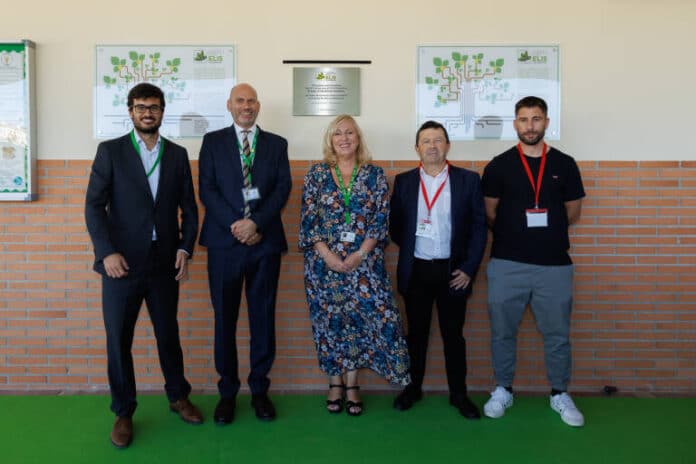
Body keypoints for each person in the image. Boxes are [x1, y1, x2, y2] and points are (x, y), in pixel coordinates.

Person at [85, 83, 202, 449]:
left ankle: (178, 396)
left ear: (163, 111)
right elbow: (93, 206)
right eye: (140, 107)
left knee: (168, 334)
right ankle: (123, 411)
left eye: (153, 106)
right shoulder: (111, 152)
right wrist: (106, 252)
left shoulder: (178, 154)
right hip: (121, 264)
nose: (147, 112)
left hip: (164, 261)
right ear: (131, 111)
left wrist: (185, 248)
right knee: (119, 339)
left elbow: (190, 208)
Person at [481, 96, 586, 427]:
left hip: (554, 265)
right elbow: (489, 211)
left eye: (536, 119)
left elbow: (573, 212)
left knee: (557, 334)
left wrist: (546, 232)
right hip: (507, 264)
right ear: (515, 124)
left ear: (546, 122)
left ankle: (559, 393)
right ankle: (503, 389)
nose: (530, 125)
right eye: (524, 119)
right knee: (502, 333)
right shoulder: (498, 165)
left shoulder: (565, 164)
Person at [299, 114, 410, 416]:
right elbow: (309, 222)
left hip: (365, 264)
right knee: (330, 324)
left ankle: (352, 385)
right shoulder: (316, 174)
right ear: (330, 140)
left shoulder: (374, 175)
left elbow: (379, 220)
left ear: (358, 138)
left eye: (350, 133)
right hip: (323, 267)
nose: (344, 138)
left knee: (362, 322)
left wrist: (358, 255)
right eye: (338, 134)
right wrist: (330, 257)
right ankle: (334, 384)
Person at [199, 83, 291, 424]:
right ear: (229, 105)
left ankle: (259, 391)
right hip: (224, 245)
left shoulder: (277, 144)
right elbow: (206, 189)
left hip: (264, 244)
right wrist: (237, 225)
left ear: (259, 105)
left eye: (252, 100)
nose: (246, 106)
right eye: (240, 100)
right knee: (225, 320)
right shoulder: (212, 142)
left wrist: (257, 224)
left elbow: (283, 188)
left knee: (262, 319)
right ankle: (227, 393)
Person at [389, 121, 487, 419]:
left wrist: (469, 268)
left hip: (453, 273)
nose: (432, 145)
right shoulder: (404, 182)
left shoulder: (468, 180)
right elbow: (396, 227)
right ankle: (412, 388)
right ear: (416, 147)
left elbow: (479, 229)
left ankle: (459, 394)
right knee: (415, 335)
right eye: (426, 141)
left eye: (438, 140)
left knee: (453, 336)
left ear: (447, 145)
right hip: (417, 271)